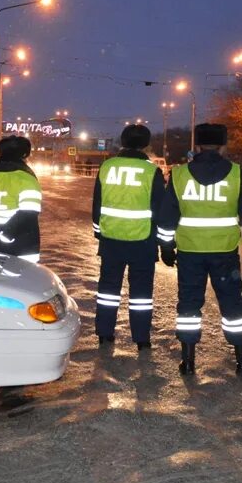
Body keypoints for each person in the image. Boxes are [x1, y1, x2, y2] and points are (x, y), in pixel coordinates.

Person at [158, 123, 242, 374]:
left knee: (189, 305)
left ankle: (188, 361)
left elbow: (167, 214)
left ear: (198, 145)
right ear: (223, 144)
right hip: (224, 252)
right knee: (232, 304)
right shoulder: (238, 174)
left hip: (190, 252)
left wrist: (166, 246)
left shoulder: (180, 174)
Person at [92, 124, 166, 351]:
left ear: (122, 141)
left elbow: (98, 202)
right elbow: (159, 208)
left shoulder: (107, 166)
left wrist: (98, 230)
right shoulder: (152, 171)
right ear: (145, 144)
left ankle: (104, 333)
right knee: (141, 292)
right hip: (142, 241)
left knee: (108, 289)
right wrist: (162, 240)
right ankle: (141, 338)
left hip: (111, 238)